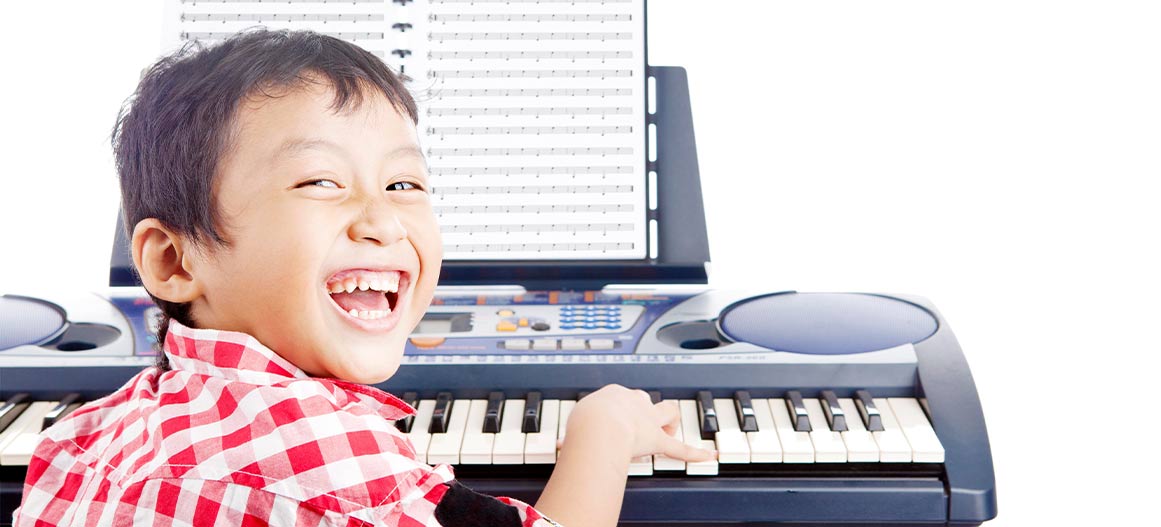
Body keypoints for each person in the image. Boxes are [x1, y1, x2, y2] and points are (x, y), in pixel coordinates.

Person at [12, 28, 714, 527]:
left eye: (405, 182)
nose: (382, 221)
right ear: (173, 260)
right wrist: (604, 433)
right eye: (321, 179)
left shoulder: (80, 437)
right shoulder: (334, 466)